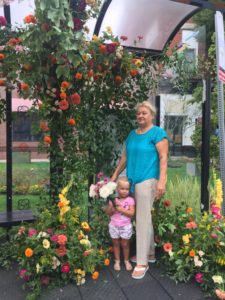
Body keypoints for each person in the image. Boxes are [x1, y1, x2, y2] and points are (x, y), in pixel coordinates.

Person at [111, 101, 168, 279]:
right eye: (139, 114)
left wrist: (162, 182)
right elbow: (125, 158)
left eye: (144, 113)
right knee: (143, 217)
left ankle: (142, 262)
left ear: (151, 115)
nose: (141, 116)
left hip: (148, 180)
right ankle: (149, 253)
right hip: (132, 181)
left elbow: (163, 157)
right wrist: (114, 176)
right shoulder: (132, 135)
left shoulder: (157, 133)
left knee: (142, 218)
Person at [104, 176, 135, 271]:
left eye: (127, 189)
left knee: (125, 244)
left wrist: (121, 209)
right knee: (116, 243)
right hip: (114, 225)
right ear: (117, 189)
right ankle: (117, 260)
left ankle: (126, 260)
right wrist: (111, 208)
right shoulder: (113, 199)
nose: (125, 191)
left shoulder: (130, 200)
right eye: (122, 189)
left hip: (125, 226)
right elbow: (109, 213)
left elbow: (132, 213)